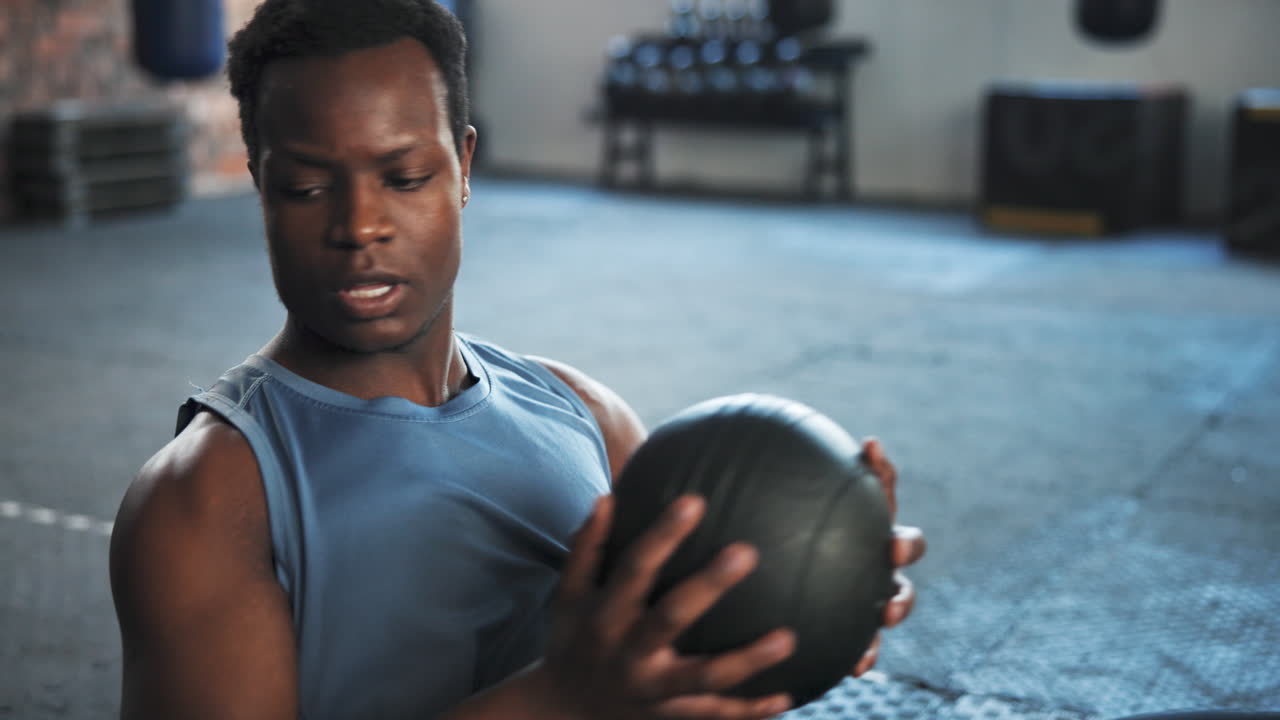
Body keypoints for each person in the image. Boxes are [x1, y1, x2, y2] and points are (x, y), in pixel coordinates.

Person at [108, 1, 927, 718]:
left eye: (403, 176)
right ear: (260, 184)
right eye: (309, 188)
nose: (360, 227)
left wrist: (804, 607)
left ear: (462, 168)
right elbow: (594, 698)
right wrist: (563, 702)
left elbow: (668, 680)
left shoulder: (588, 418)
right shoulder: (204, 503)